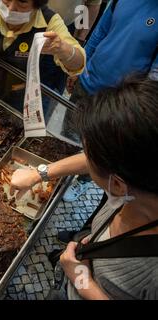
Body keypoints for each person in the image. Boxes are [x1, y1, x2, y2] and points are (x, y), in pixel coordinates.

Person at [10, 75, 158, 299]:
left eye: (88, 156)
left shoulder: (151, 273)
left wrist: (81, 279)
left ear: (117, 184)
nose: (84, 160)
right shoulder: (139, 181)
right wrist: (38, 173)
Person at [62, 0, 158, 202]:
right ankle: (58, 172)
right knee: (67, 137)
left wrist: (131, 109)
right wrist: (79, 68)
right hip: (88, 82)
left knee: (100, 154)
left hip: (117, 104)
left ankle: (82, 180)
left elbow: (154, 78)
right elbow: (99, 33)